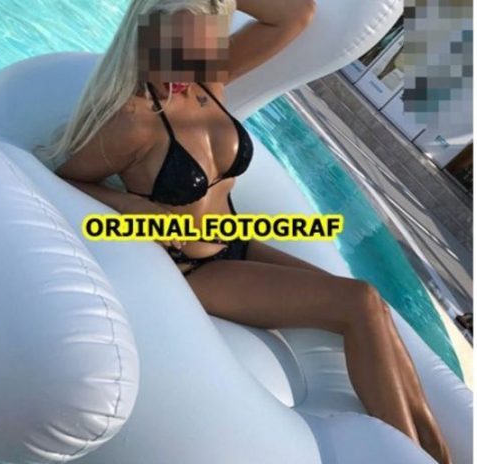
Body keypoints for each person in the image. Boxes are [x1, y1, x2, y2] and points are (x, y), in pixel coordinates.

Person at [35, 1, 452, 462]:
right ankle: (407, 455)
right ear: (147, 34)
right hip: (197, 268)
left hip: (239, 239)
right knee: (359, 302)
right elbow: (66, 178)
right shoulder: (134, 119)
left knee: (373, 303)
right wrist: (134, 206)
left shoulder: (208, 83)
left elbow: (296, 15)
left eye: (200, 39)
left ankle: (438, 450)